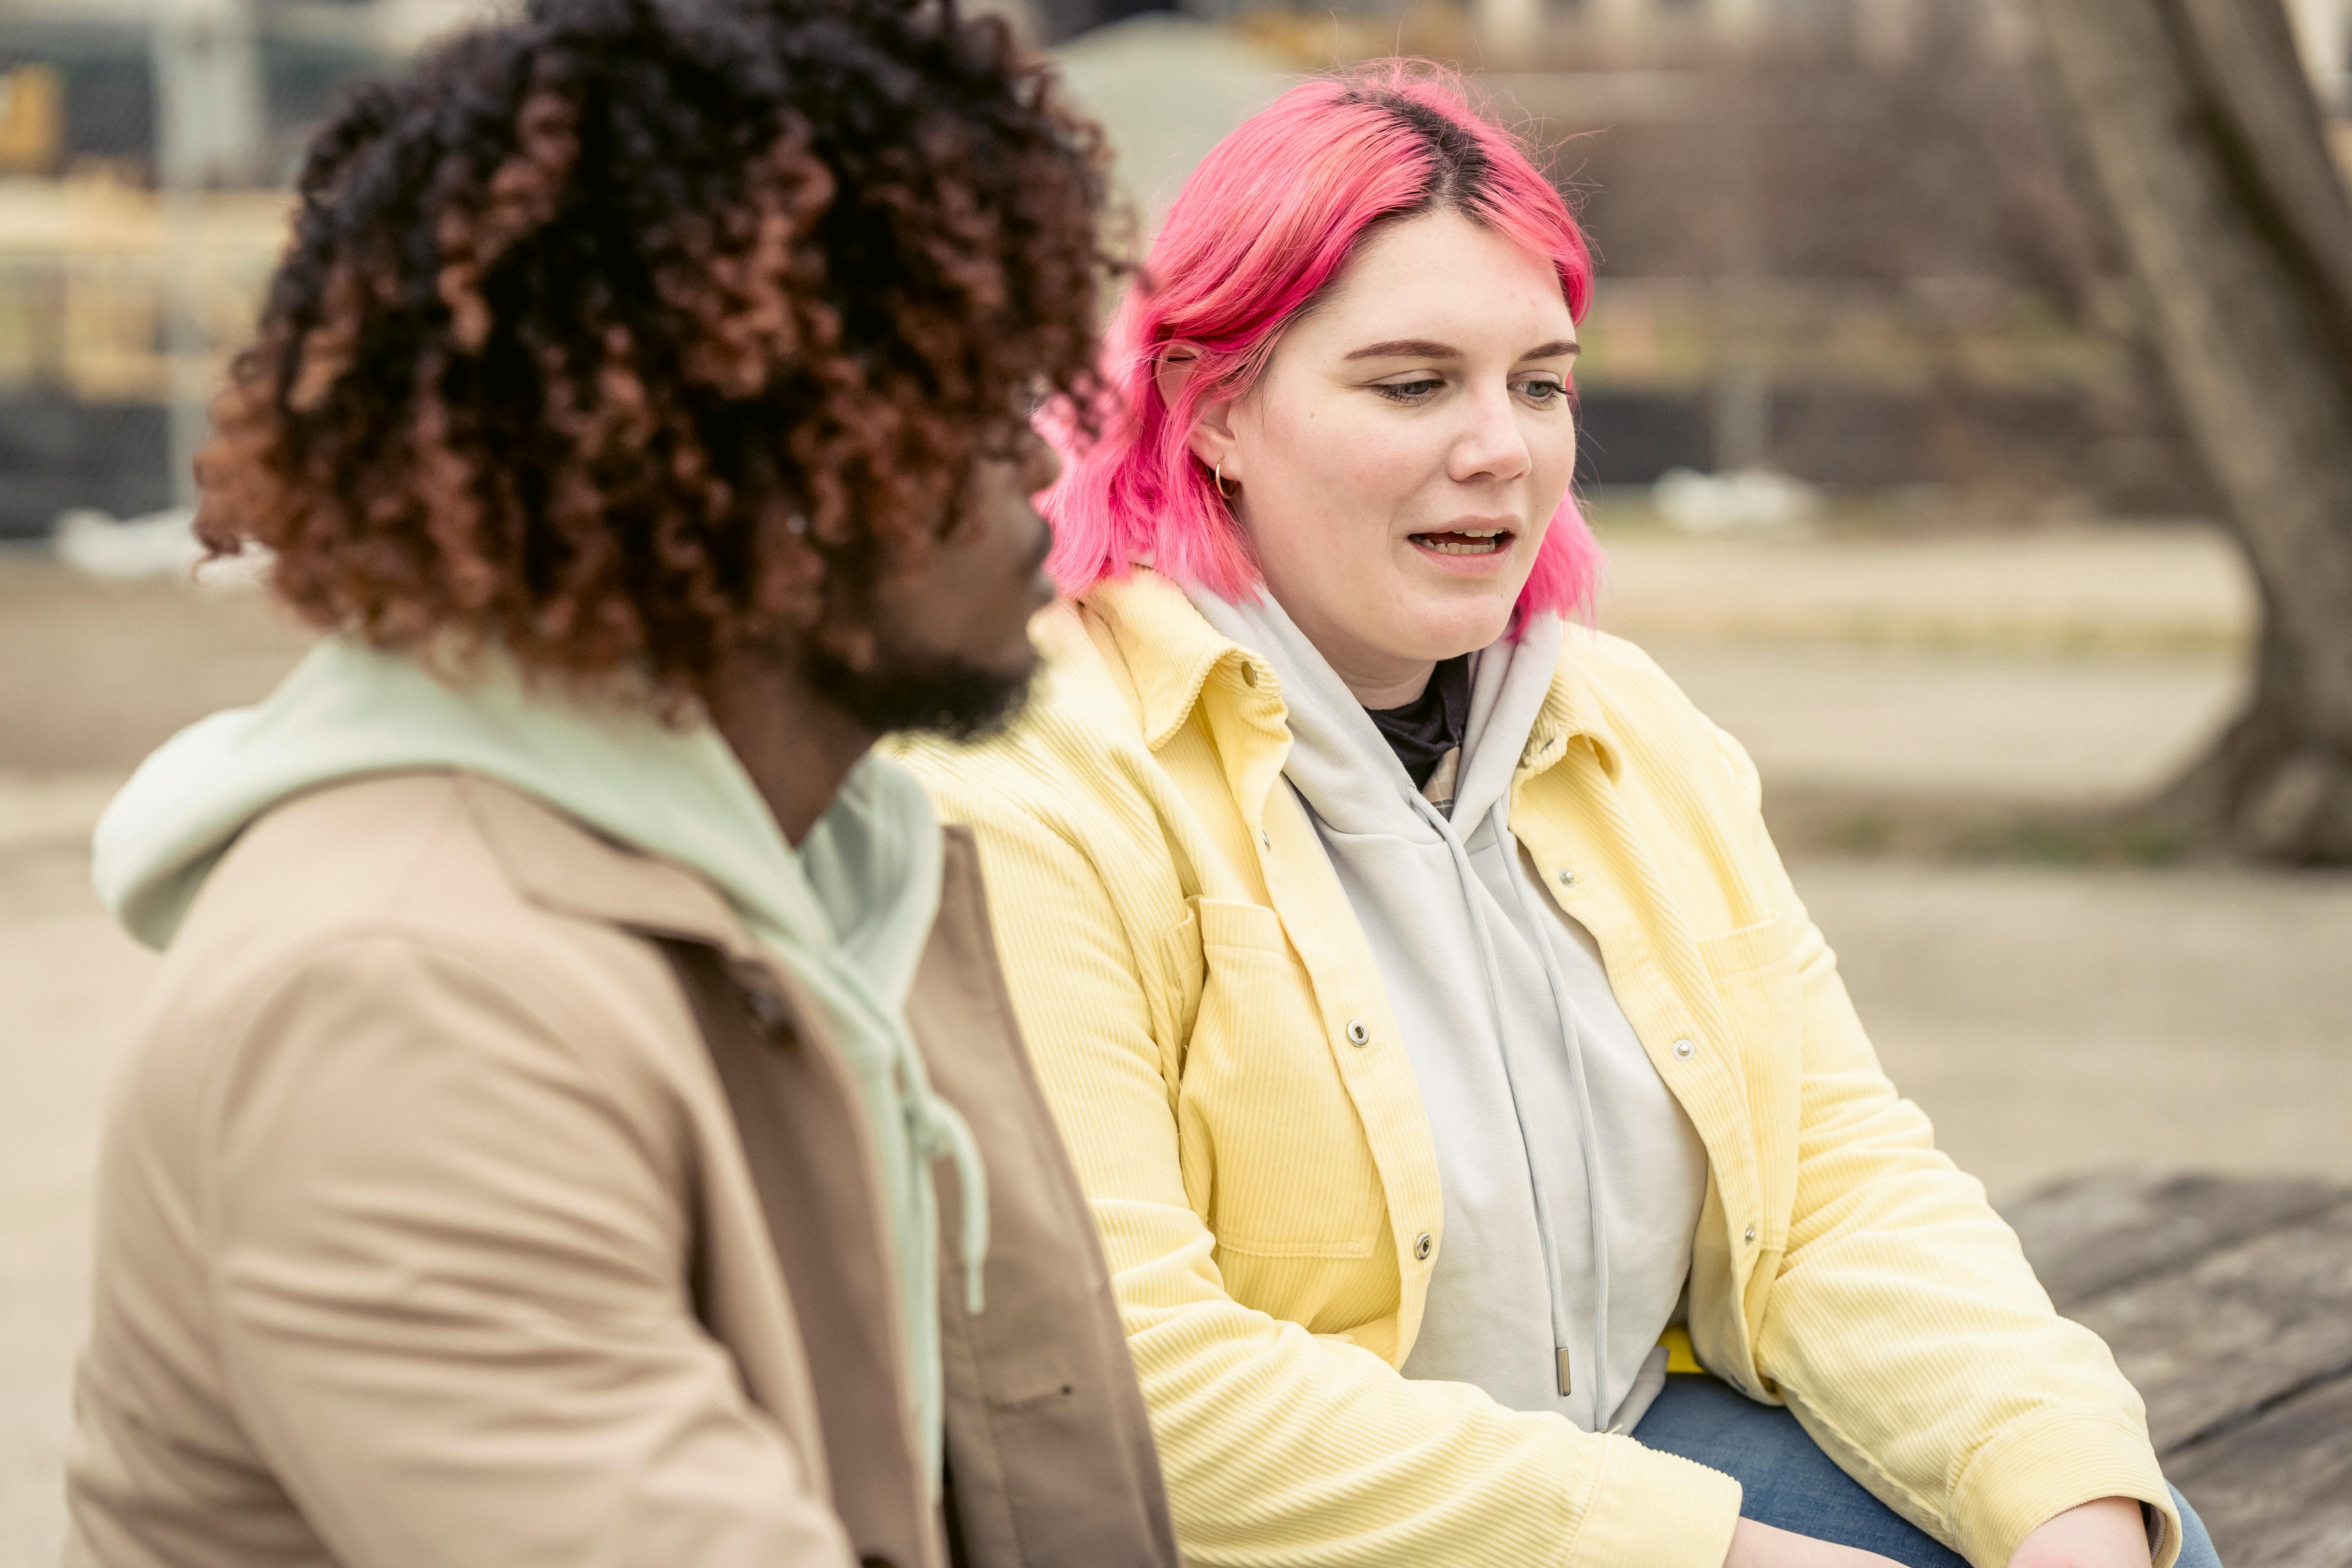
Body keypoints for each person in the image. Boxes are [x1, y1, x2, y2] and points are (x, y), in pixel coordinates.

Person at [895, 66, 2223, 1568]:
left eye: (1540, 383)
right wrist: (1710, 1555)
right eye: (1413, 384)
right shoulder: (1025, 786)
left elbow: (1837, 1188)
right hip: (1259, 1534)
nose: (1503, 449)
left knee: (2140, 1531)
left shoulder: (1625, 728)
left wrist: (2064, 1493)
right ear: (1212, 411)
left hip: (1605, 1440)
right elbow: (1130, 1387)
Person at [62, 2, 1180, 1564]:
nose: (1049, 470)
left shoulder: (831, 867)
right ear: (754, 474)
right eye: (980, 405)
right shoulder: (406, 998)